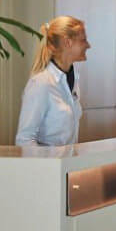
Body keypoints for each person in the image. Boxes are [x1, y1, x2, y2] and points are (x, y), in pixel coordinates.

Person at [15, 16, 89, 147]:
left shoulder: (72, 78)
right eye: (83, 40)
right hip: (48, 161)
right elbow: (24, 140)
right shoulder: (40, 83)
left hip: (68, 160)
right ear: (68, 42)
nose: (88, 45)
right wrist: (50, 159)